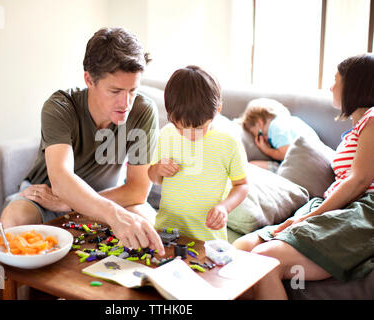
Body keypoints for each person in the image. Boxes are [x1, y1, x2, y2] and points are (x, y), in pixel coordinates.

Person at [0, 27, 165, 255]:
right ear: (89, 79)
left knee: (148, 227)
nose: (125, 102)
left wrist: (71, 203)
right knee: (14, 222)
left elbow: (137, 191)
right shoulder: (59, 107)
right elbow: (61, 180)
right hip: (47, 197)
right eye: (115, 91)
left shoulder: (143, 111)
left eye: (132, 91)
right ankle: (28, 291)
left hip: (107, 196)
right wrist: (70, 201)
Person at [233, 53, 374, 299]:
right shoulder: (357, 127)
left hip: (360, 211)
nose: (331, 86)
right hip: (335, 207)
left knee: (262, 262)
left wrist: (307, 217)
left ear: (353, 85)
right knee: (240, 249)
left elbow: (358, 180)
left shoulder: (372, 119)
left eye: (335, 79)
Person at [148, 65, 249, 241]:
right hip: (166, 231)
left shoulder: (228, 142)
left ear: (217, 110)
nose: (191, 135)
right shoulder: (167, 134)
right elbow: (154, 178)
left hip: (207, 238)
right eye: (181, 127)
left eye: (199, 128)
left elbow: (242, 185)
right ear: (170, 115)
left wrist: (224, 208)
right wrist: (158, 170)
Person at [240, 98, 319, 172]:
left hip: (302, 166)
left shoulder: (275, 126)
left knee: (251, 166)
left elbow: (285, 154)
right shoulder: (290, 121)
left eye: (257, 134)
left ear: (260, 123)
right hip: (310, 162)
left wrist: (266, 150)